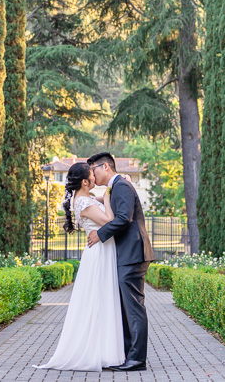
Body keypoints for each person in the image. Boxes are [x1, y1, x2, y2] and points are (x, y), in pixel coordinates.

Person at [35, 162, 125, 371]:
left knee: (102, 300)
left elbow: (102, 202)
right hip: (100, 254)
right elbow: (109, 220)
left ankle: (105, 350)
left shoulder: (87, 199)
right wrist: (109, 197)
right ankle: (99, 352)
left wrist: (111, 189)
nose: (95, 177)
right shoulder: (84, 202)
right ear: (85, 182)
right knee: (100, 300)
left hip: (101, 251)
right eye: (92, 175)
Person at [86, 151, 155, 372]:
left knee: (133, 308)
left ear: (106, 167)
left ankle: (136, 359)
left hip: (132, 254)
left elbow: (124, 218)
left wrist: (100, 233)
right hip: (127, 254)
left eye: (94, 169)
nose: (93, 175)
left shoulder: (122, 186)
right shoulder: (116, 186)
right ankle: (128, 355)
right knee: (127, 308)